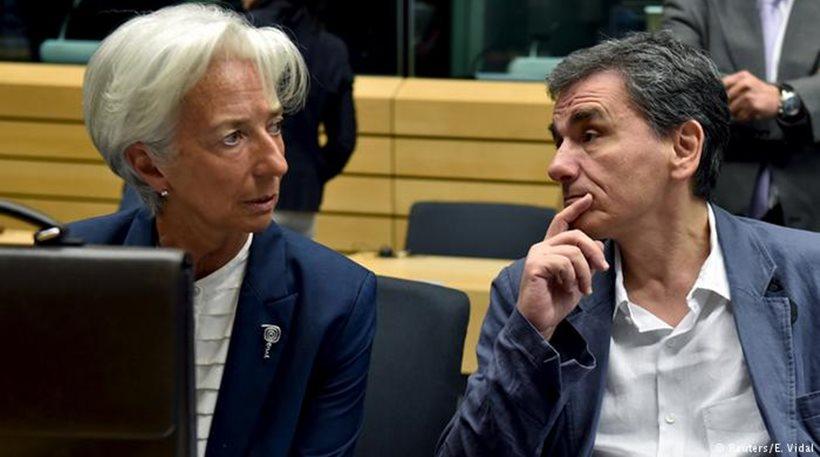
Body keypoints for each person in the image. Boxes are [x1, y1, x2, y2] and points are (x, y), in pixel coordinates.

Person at [436, 32, 820, 456]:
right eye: (559, 141)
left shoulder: (807, 274)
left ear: (684, 147)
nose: (557, 166)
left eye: (590, 135)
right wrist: (531, 338)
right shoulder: (529, 292)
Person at [67, 5, 376, 457]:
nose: (277, 163)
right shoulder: (69, 278)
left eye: (274, 126)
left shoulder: (332, 301)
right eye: (233, 137)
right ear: (150, 165)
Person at [663, 0, 820, 231]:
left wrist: (783, 99)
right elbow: (676, 75)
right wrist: (802, 106)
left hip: (811, 197)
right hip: (718, 196)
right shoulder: (696, 4)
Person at [244, 0, 357, 238]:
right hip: (302, 192)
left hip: (241, 187)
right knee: (296, 260)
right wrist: (313, 172)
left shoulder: (238, 37)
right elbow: (344, 139)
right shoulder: (331, 48)